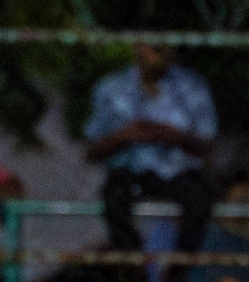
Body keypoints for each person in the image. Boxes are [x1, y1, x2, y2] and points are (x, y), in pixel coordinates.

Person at [84, 43, 217, 269]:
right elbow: (92, 149)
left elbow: (207, 143)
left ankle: (178, 272)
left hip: (176, 171)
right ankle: (134, 268)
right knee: (113, 200)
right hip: (129, 169)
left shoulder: (191, 86)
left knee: (202, 199)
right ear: (139, 48)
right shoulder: (111, 88)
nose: (162, 55)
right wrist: (124, 136)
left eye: (167, 49)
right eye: (156, 48)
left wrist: (176, 137)